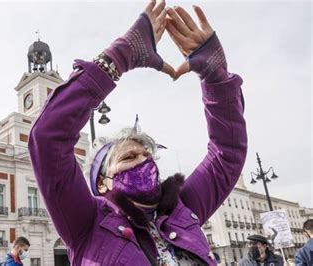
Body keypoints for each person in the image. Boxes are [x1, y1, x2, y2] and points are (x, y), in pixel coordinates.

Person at [28, 0, 247, 265]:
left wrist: (217, 79)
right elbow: (48, 137)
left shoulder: (183, 209)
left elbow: (226, 155)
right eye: (129, 157)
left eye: (146, 155)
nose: (144, 161)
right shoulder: (86, 223)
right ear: (101, 183)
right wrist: (119, 57)